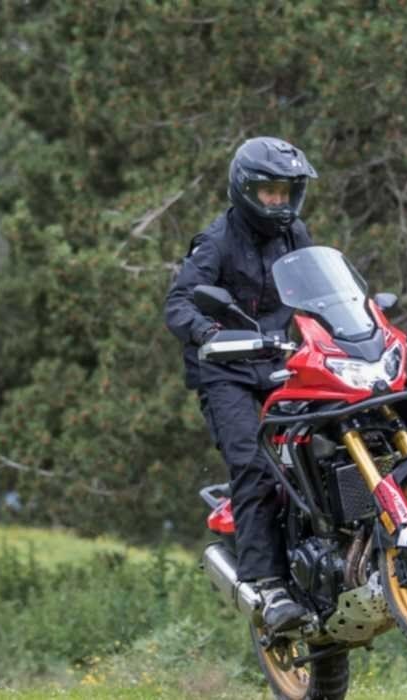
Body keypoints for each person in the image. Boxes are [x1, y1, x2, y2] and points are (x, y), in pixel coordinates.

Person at [164, 136, 317, 631]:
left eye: (285, 192)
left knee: (317, 451)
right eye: (269, 191)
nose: (278, 201)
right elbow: (178, 303)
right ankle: (266, 584)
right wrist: (208, 332)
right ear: (246, 189)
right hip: (225, 369)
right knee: (253, 464)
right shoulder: (217, 241)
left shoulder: (295, 235)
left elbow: (319, 288)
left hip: (278, 362)